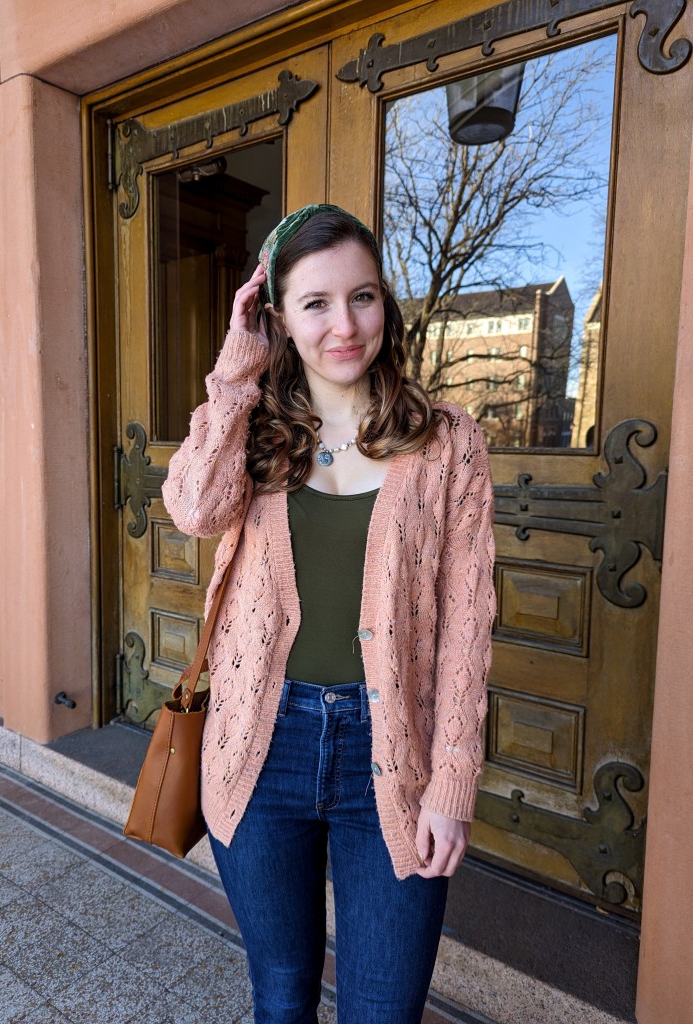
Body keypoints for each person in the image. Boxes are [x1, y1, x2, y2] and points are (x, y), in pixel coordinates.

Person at [161, 204, 496, 1024]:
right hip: (258, 747)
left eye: (363, 297)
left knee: (384, 1009)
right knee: (280, 996)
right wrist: (237, 365)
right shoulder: (253, 432)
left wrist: (452, 782)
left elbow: (465, 625)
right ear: (277, 316)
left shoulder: (447, 441)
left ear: (386, 304)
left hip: (395, 756)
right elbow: (194, 509)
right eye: (314, 303)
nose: (343, 325)